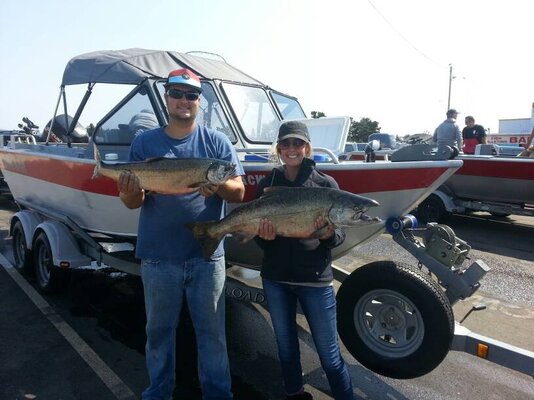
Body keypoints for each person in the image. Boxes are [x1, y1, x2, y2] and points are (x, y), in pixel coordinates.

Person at [118, 68, 245, 400]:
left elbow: (239, 192)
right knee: (159, 333)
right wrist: (129, 190)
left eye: (191, 95)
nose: (184, 101)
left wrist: (220, 184)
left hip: (207, 258)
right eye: (177, 93)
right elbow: (133, 203)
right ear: (167, 98)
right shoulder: (144, 143)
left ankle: (218, 395)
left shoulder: (216, 142)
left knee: (213, 335)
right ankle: (158, 393)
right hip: (159, 257)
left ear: (199, 102)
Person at [255, 121, 354, 400]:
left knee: (329, 354)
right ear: (278, 149)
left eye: (297, 143)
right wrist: (264, 236)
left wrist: (328, 234)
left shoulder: (326, 185)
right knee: (286, 349)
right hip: (276, 278)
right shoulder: (267, 185)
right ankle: (294, 393)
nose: (291, 149)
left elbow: (339, 238)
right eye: (285, 144)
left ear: (307, 147)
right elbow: (259, 240)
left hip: (315, 280)